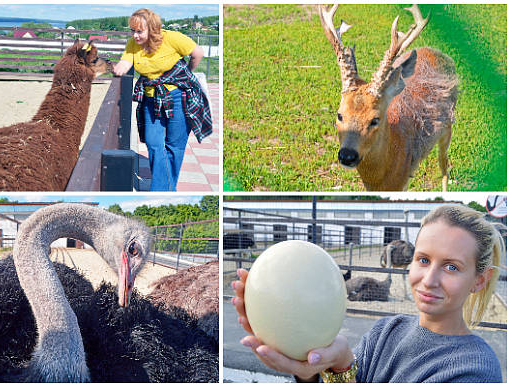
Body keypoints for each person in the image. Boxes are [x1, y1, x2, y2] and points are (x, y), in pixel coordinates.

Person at [232, 204, 504, 383]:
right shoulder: (385, 331)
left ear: (479, 280)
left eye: (451, 267)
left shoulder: (475, 369)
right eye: (423, 260)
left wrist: (340, 361)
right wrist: (331, 365)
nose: (429, 280)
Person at [113, 8, 212, 191]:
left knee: (174, 147)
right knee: (153, 143)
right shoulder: (133, 44)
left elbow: (197, 53)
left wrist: (185, 74)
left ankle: (162, 191)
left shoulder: (173, 38)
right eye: (132, 30)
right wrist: (118, 68)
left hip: (179, 97)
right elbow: (126, 62)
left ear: (153, 29)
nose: (135, 35)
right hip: (151, 100)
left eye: (139, 31)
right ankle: (167, 190)